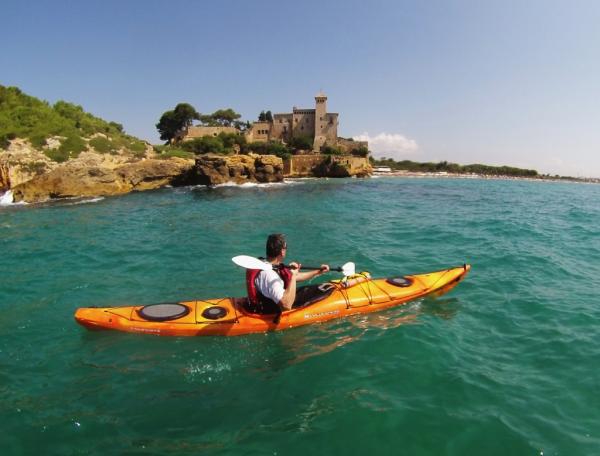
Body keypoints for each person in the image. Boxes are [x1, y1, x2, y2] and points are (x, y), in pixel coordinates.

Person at [246, 234, 330, 313]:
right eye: (285, 248)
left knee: (321, 288)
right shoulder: (270, 276)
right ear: (282, 251)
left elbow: (294, 277)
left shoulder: (265, 263)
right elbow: (286, 305)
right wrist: (293, 276)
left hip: (267, 301)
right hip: (273, 309)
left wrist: (318, 272)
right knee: (325, 293)